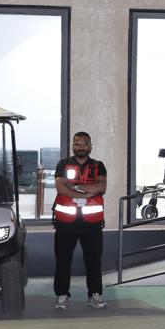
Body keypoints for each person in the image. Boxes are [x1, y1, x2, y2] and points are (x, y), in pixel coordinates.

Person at [51, 132, 108, 310]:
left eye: (84, 143)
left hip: (92, 222)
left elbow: (101, 187)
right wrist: (86, 193)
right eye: (77, 144)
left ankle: (94, 294)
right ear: (72, 146)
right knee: (63, 260)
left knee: (93, 260)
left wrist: (75, 186)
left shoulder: (98, 165)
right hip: (66, 222)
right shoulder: (63, 164)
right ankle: (62, 295)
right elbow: (61, 188)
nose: (80, 147)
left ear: (90, 146)